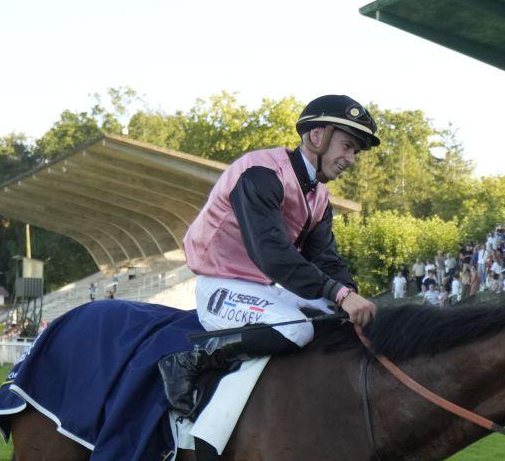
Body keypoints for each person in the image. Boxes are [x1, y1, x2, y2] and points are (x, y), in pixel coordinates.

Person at [159, 95, 381, 416]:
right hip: (222, 287)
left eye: (355, 151)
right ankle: (190, 360)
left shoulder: (319, 197)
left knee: (337, 319)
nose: (351, 158)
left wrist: (352, 299)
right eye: (347, 146)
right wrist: (340, 294)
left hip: (262, 289)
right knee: (298, 329)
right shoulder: (260, 172)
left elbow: (326, 259)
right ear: (317, 136)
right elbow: (272, 254)